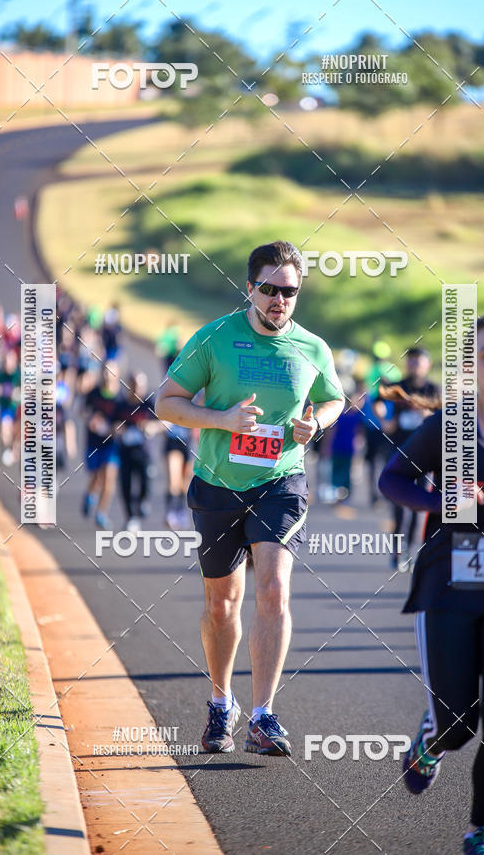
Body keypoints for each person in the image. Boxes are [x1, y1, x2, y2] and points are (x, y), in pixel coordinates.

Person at [155, 240, 344, 757]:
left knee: (274, 592)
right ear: (250, 288)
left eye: (290, 291)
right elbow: (165, 403)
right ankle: (222, 702)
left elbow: (333, 398)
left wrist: (315, 424)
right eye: (269, 289)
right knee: (222, 605)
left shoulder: (312, 348)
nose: (279, 300)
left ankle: (263, 715)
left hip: (280, 483)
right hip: (218, 484)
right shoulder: (214, 338)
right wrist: (222, 420)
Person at [379, 313, 484, 855]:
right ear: (472, 370)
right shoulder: (452, 426)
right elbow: (392, 478)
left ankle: (481, 832)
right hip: (448, 590)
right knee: (457, 727)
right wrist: (442, 503)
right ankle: (430, 741)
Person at [381, 347, 440, 571]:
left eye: (419, 361)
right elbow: (377, 401)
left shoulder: (433, 389)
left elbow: (443, 415)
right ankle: (396, 553)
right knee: (398, 505)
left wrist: (424, 412)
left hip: (424, 455)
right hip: (399, 450)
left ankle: (412, 551)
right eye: (412, 361)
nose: (415, 365)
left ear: (427, 364)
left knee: (420, 503)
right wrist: (385, 421)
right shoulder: (399, 387)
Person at [81, 361, 123, 529]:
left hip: (111, 444)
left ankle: (101, 513)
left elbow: (124, 419)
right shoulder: (94, 393)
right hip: (94, 442)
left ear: (117, 375)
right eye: (105, 372)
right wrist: (90, 419)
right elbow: (81, 409)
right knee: (97, 476)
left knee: (109, 477)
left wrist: (117, 428)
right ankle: (89, 495)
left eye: (111, 373)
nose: (107, 376)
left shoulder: (120, 397)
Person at [117, 372, 159, 531]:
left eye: (140, 386)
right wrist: (117, 428)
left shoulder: (149, 404)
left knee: (145, 482)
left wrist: (152, 427)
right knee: (125, 485)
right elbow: (113, 421)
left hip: (144, 452)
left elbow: (164, 423)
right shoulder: (121, 404)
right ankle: (130, 517)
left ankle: (143, 501)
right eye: (134, 386)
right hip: (125, 452)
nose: (137, 389)